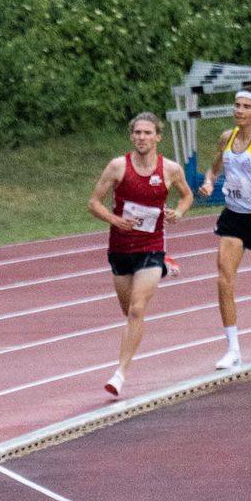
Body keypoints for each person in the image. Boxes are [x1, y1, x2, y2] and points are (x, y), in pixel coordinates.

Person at [87, 114, 193, 399]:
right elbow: (93, 203)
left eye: (147, 133)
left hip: (152, 245)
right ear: (131, 136)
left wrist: (178, 212)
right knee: (129, 313)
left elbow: (186, 195)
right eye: (137, 133)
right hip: (121, 248)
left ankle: (119, 373)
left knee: (136, 309)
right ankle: (163, 269)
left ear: (158, 137)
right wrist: (114, 219)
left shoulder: (170, 169)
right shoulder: (118, 166)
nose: (142, 137)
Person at [199, 86, 251, 371]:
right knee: (224, 280)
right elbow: (214, 168)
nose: (239, 110)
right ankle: (233, 349)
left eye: (246, 106)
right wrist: (210, 181)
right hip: (233, 217)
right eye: (237, 105)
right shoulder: (227, 138)